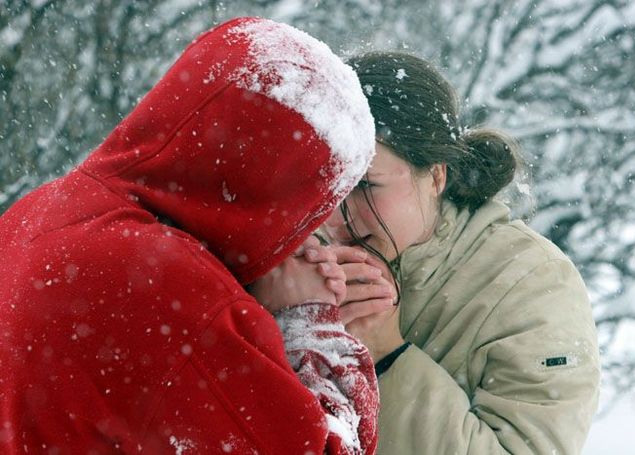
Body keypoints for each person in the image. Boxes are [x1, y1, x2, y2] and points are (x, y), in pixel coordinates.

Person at [0, 17, 380, 454]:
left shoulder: (43, 207)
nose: (310, 239)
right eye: (307, 214)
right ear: (264, 182)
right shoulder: (175, 294)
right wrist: (307, 321)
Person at [319, 52, 601, 454]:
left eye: (365, 185)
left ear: (435, 175)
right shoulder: (294, 256)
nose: (337, 215)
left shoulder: (532, 283)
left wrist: (386, 356)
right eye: (327, 180)